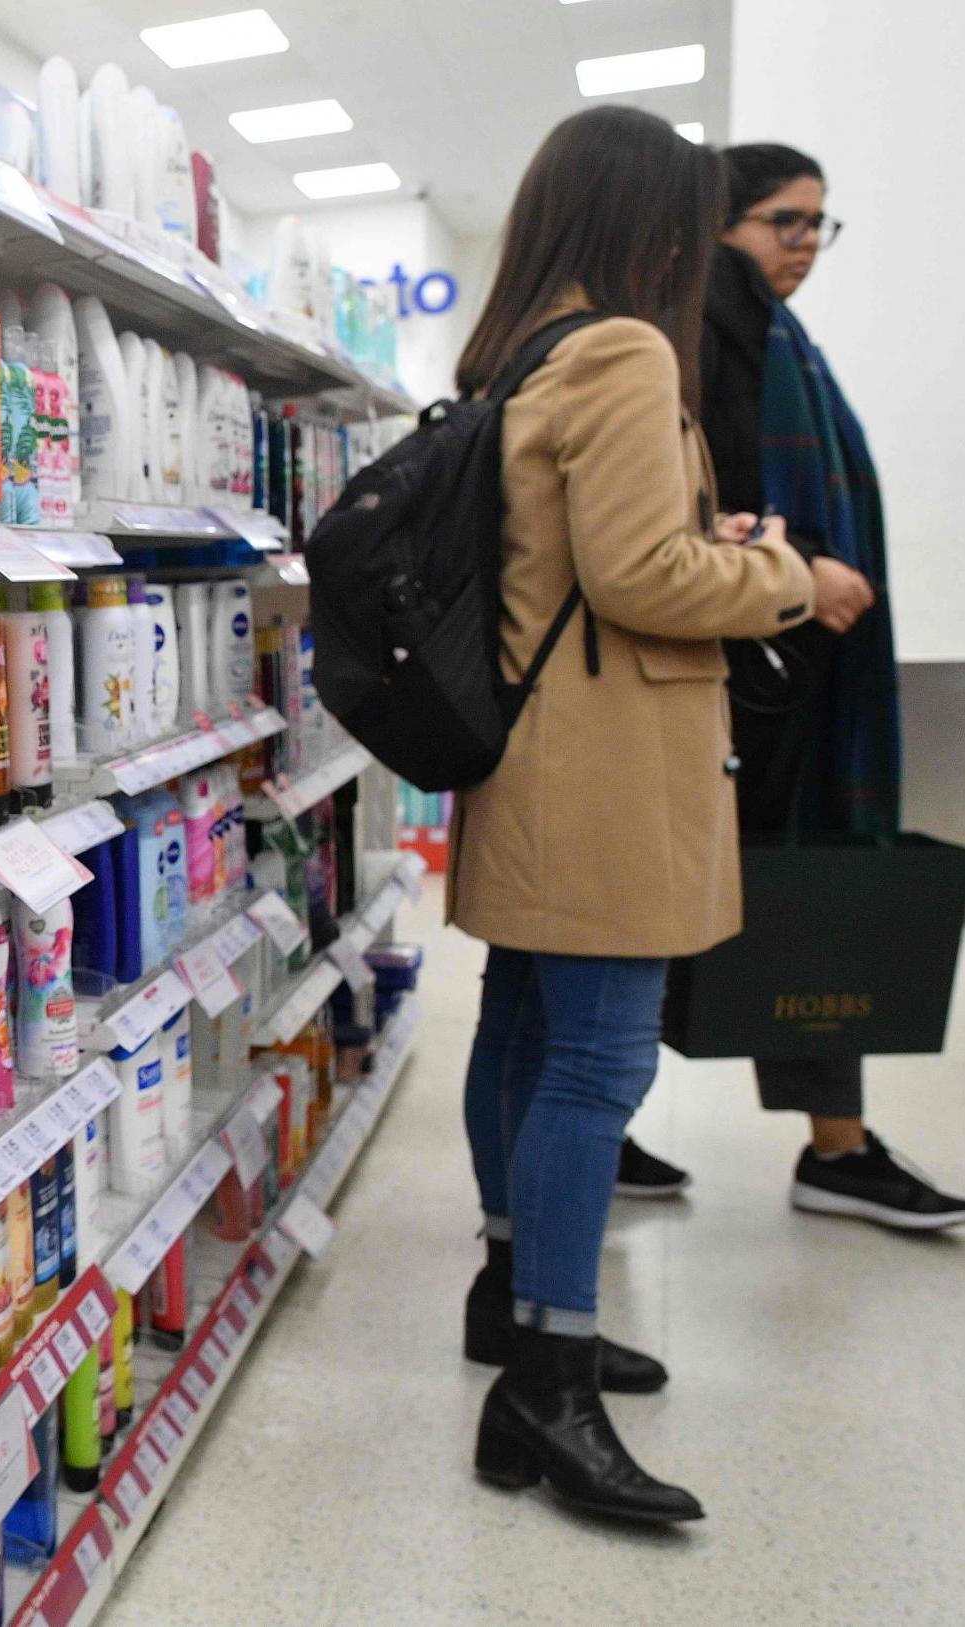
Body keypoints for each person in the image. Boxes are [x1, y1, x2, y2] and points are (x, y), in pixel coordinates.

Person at [447, 106, 866, 1525]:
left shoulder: (521, 345)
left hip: (529, 748)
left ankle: (516, 1305)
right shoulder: (624, 350)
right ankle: (551, 1377)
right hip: (608, 758)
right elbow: (639, 578)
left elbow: (592, 553)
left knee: (521, 1028)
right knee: (596, 1061)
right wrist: (789, 577)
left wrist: (712, 548)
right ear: (651, 220)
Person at [615, 145, 965, 1229]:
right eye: (784, 221)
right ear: (720, 225)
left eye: (820, 223)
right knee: (711, 898)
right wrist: (794, 574)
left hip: (782, 664)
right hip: (754, 664)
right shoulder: (716, 321)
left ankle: (823, 1146)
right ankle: (808, 1147)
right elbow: (704, 503)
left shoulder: (764, 326)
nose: (805, 244)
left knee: (764, 896)